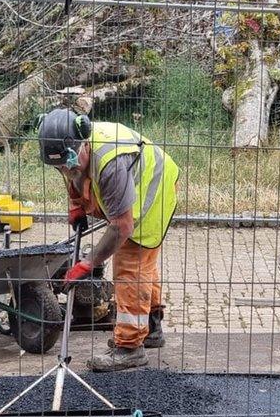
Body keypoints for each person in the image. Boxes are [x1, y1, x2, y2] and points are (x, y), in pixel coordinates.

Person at [38, 108, 179, 372]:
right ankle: (151, 327)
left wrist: (88, 263)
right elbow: (74, 174)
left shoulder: (110, 162)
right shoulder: (71, 150)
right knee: (144, 266)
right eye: (57, 164)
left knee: (130, 266)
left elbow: (121, 226)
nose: (65, 168)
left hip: (153, 194)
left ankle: (129, 347)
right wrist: (77, 205)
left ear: (84, 142)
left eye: (68, 159)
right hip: (135, 185)